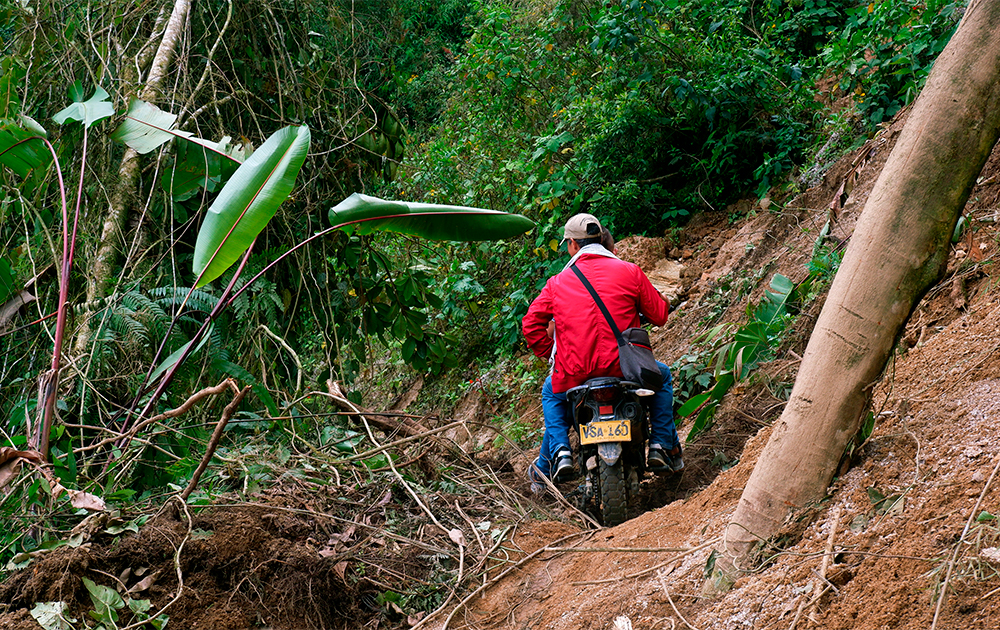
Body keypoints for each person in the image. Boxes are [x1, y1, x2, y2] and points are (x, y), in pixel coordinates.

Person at [523, 213, 682, 485]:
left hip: (576, 373)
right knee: (663, 377)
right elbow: (659, 315)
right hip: (627, 370)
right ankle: (659, 445)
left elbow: (531, 324)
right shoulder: (630, 271)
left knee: (552, 392)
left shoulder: (557, 283)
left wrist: (550, 351)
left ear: (572, 245)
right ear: (602, 239)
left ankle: (561, 452)